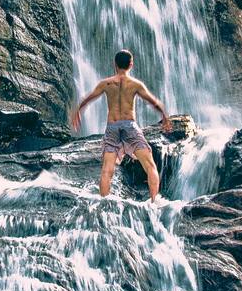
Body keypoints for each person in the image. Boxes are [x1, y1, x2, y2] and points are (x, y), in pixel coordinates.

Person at [70, 49, 169, 199]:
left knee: (106, 170)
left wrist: (78, 110)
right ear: (131, 64)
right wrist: (165, 116)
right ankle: (155, 202)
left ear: (114, 64)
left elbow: (88, 98)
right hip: (130, 125)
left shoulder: (106, 83)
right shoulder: (135, 84)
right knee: (149, 165)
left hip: (112, 127)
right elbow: (153, 102)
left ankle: (104, 202)